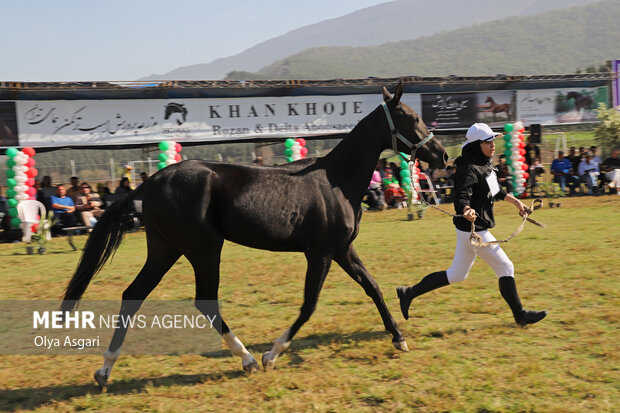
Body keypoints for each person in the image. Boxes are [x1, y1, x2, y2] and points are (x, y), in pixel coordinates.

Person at [396, 123, 546, 326]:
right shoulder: (468, 169)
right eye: (488, 142)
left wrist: (517, 203)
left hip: (467, 231)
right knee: (506, 267)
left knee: (457, 274)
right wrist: (466, 209)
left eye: (493, 140)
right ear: (477, 144)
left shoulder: (485, 164)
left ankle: (408, 293)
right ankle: (520, 315)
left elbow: (497, 192)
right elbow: (460, 196)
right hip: (474, 231)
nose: (493, 145)